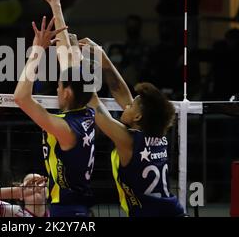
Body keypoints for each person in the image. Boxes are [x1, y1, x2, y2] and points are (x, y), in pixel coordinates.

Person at [14, 0, 96, 217]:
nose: (57, 88)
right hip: (75, 208)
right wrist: (55, 3)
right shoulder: (88, 109)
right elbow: (67, 59)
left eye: (60, 85)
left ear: (68, 93)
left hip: (67, 213)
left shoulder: (65, 128)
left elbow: (21, 97)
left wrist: (37, 51)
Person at [79, 37, 185, 217]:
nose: (126, 105)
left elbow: (92, 101)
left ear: (137, 116)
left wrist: (74, 62)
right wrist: (101, 54)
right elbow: (118, 89)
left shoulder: (129, 140)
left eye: (131, 105)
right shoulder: (157, 135)